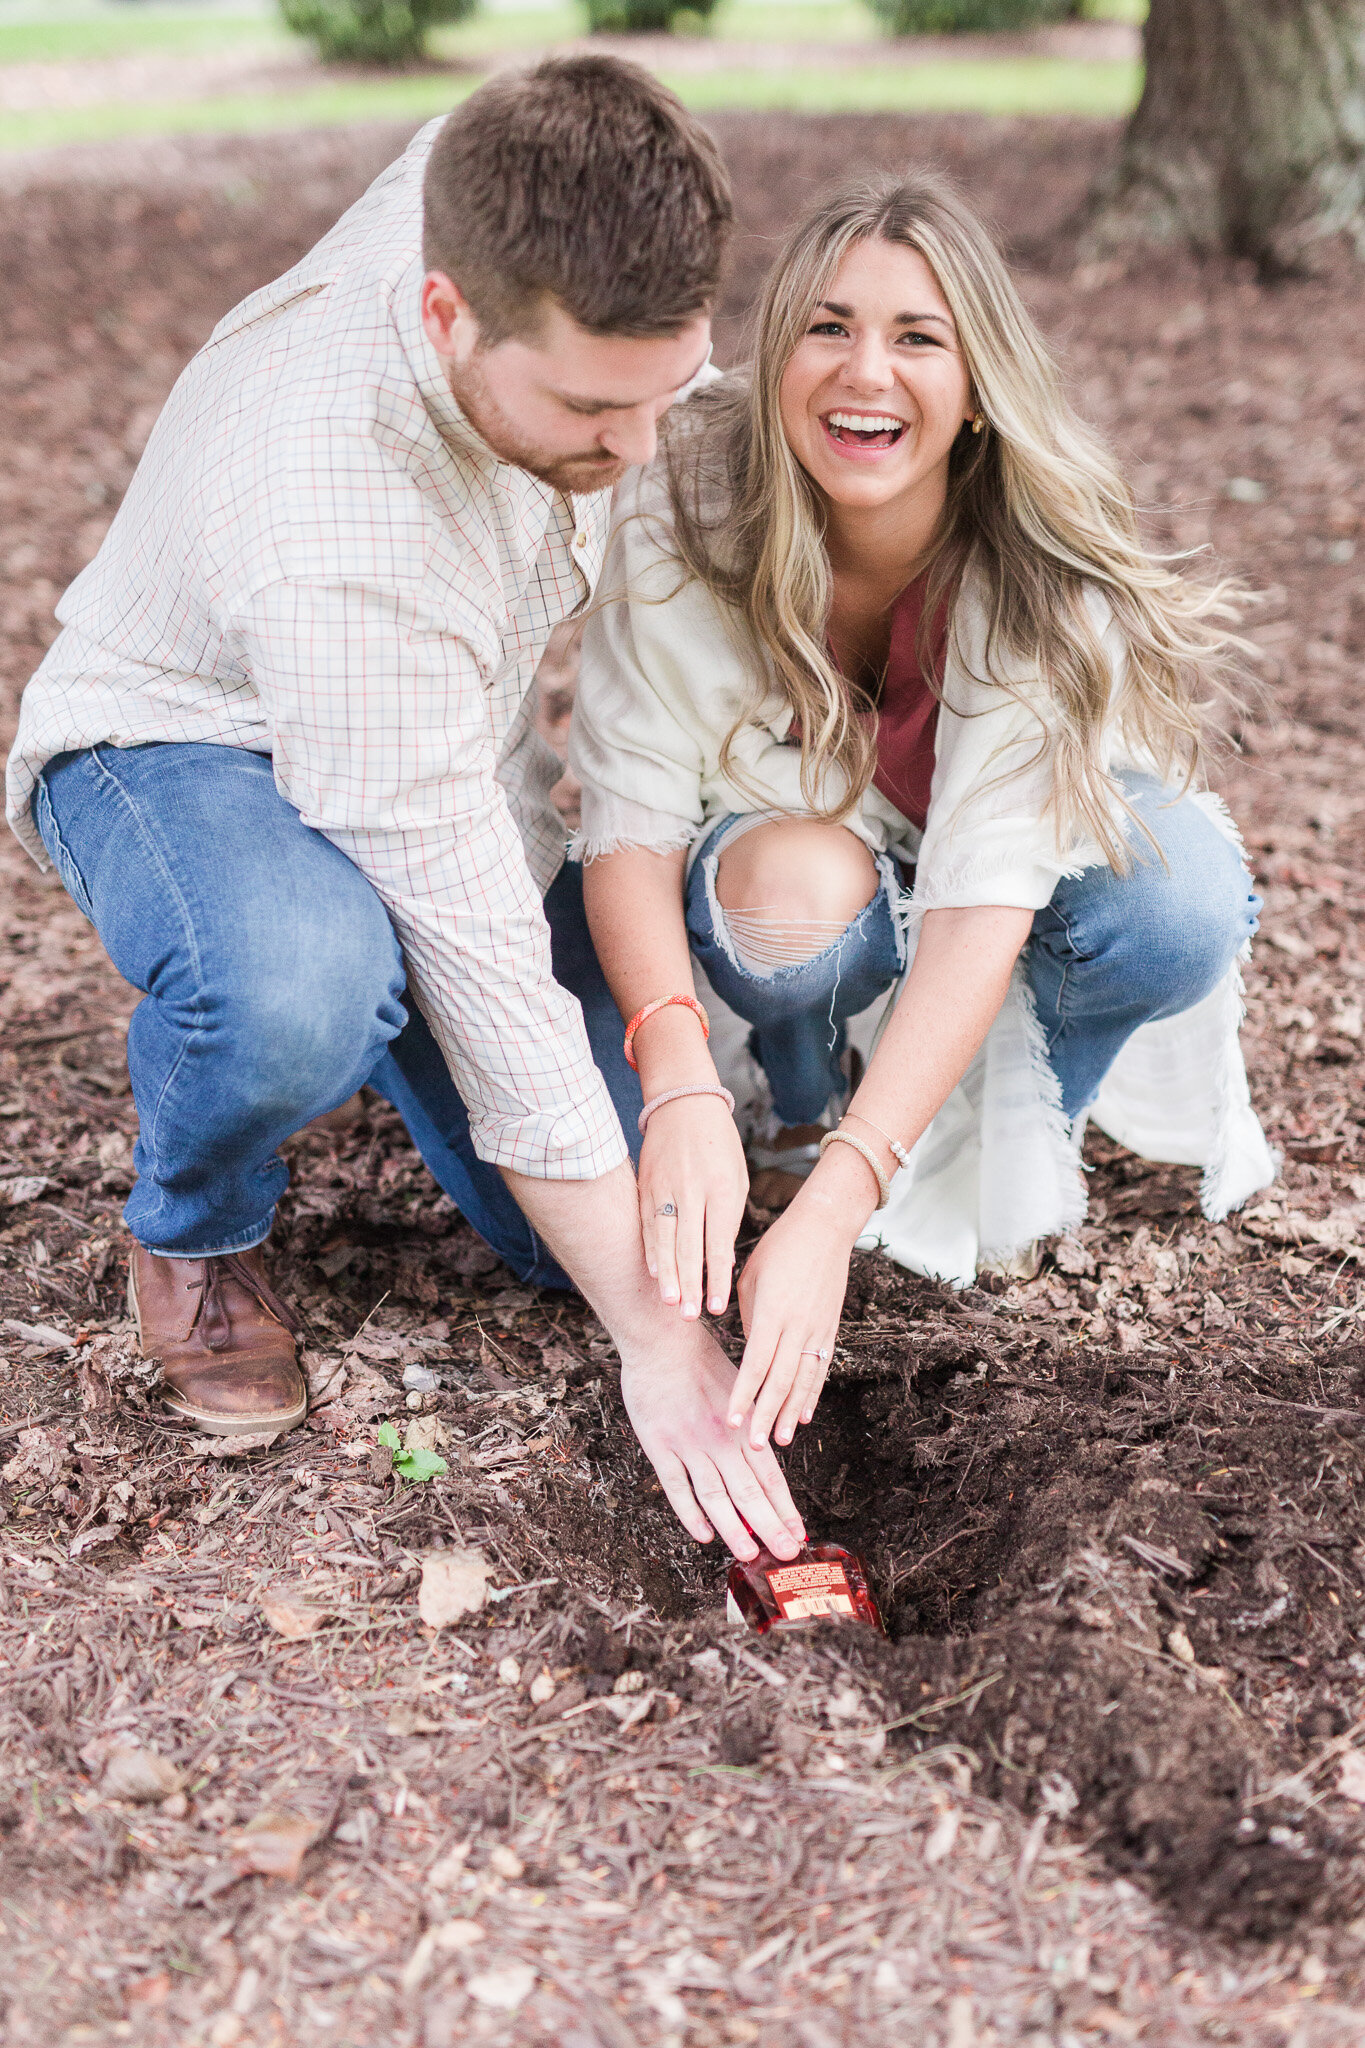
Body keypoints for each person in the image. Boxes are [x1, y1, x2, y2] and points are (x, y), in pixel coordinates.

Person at [6, 58, 808, 1568]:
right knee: (303, 984)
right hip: (176, 744)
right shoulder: (339, 520)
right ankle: (199, 1221)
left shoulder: (513, 175)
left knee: (567, 1245)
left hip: (414, 755)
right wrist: (656, 1350)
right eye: (587, 407)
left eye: (664, 390)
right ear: (446, 317)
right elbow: (482, 962)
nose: (637, 451)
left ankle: (351, 978)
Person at [571, 168, 1277, 1456]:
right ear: (779, 343)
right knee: (793, 902)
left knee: (1173, 902)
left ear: (976, 381)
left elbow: (981, 898)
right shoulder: (686, 487)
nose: (864, 374)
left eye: (917, 338)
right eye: (829, 327)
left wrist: (837, 1219)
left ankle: (1013, 1106)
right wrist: (675, 1084)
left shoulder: (1027, 558)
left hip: (986, 873)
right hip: (801, 866)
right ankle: (793, 1102)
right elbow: (626, 820)